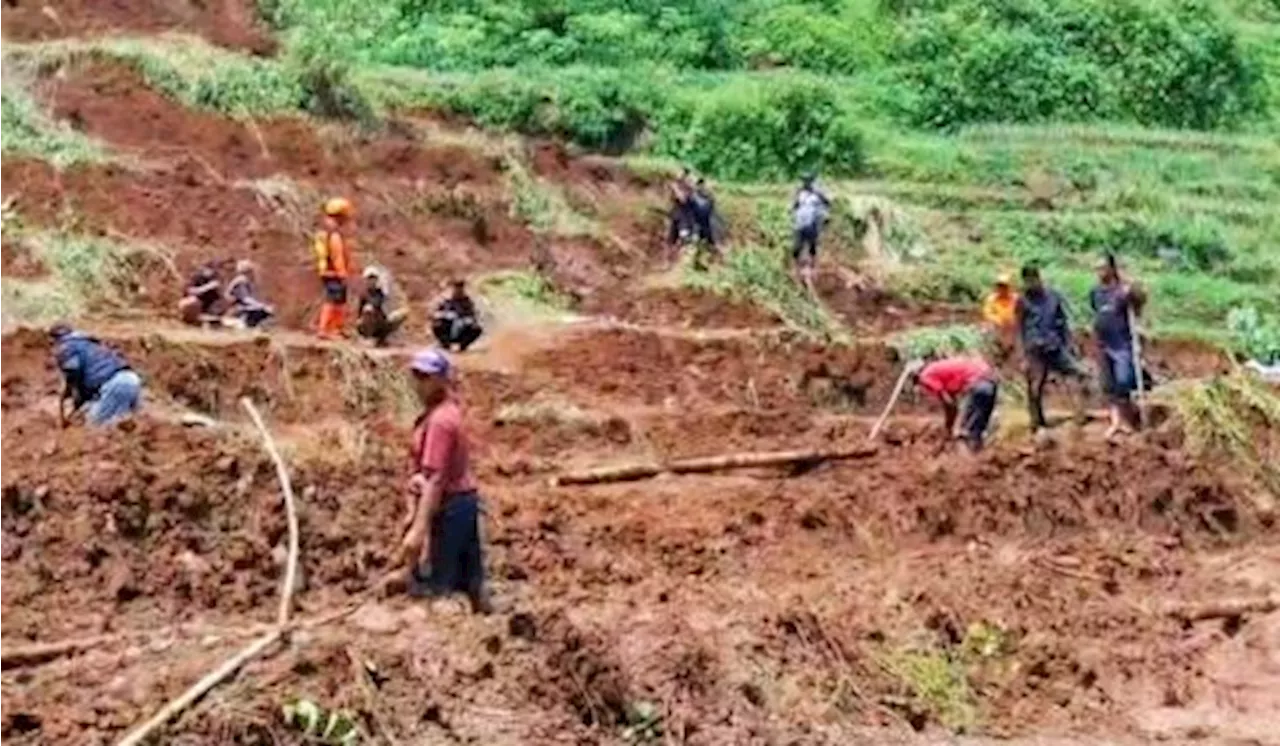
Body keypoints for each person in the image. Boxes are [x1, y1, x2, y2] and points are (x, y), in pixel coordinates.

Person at [401, 348, 492, 614]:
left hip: (451, 507)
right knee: (471, 583)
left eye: (425, 376)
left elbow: (435, 477)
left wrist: (418, 530)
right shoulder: (444, 412)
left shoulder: (440, 421)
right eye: (416, 375)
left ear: (441, 379)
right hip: (463, 503)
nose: (419, 383)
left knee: (442, 588)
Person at [1015, 264, 1091, 432]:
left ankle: (1080, 415)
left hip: (1054, 346)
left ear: (1038, 278)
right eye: (1027, 281)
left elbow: (1062, 322)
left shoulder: (1053, 296)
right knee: (1035, 387)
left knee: (1080, 374)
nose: (1030, 284)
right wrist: (1022, 356)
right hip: (1034, 349)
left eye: (1033, 279)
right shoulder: (1022, 300)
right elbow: (1019, 328)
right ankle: (1036, 422)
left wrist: (1069, 344)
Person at [1090, 254, 1146, 438]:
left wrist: (1133, 291)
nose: (1099, 272)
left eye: (1102, 268)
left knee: (1124, 380)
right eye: (1097, 269)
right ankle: (1116, 421)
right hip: (1102, 342)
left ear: (1112, 269)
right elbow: (1096, 311)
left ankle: (1129, 416)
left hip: (1121, 343)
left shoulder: (1122, 290)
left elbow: (1139, 304)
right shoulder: (1095, 292)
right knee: (1109, 384)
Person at [50, 325, 142, 427]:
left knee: (93, 428)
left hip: (115, 384)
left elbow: (73, 372)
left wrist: (76, 397)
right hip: (132, 379)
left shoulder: (67, 347)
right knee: (129, 425)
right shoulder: (91, 343)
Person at [908, 356, 999, 452]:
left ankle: (965, 462)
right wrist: (949, 428)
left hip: (978, 383)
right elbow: (953, 406)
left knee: (966, 431)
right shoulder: (941, 372)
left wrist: (948, 430)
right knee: (977, 429)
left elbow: (949, 403)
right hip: (990, 382)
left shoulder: (925, 376)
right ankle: (978, 457)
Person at [314, 197, 355, 338]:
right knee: (333, 302)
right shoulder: (335, 236)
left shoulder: (328, 233)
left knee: (340, 301)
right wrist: (343, 274)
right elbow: (338, 257)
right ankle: (325, 329)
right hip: (334, 274)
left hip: (329, 273)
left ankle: (336, 328)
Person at [791, 173, 831, 291]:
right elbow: (794, 206)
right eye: (804, 181)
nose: (806, 184)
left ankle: (813, 269)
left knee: (812, 247)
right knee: (796, 248)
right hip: (800, 224)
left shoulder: (817, 194)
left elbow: (827, 204)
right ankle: (796, 270)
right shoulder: (800, 193)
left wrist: (824, 217)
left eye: (808, 181)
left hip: (812, 224)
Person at [356, 266, 408, 347]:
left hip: (380, 321)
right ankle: (368, 338)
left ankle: (382, 339)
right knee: (368, 311)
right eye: (369, 279)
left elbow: (378, 302)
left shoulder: (380, 293)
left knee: (401, 314)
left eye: (374, 278)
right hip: (367, 322)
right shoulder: (363, 294)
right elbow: (359, 312)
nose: (372, 281)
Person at [432, 279, 483, 352]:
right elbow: (436, 313)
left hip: (462, 328)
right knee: (437, 325)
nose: (458, 291)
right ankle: (445, 344)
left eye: (460, 289)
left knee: (476, 329)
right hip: (448, 327)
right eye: (456, 288)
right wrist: (445, 315)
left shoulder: (467, 302)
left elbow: (473, 315)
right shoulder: (446, 301)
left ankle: (463, 345)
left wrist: (467, 319)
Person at [225, 260, 274, 329]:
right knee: (263, 311)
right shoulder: (241, 281)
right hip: (238, 310)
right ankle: (244, 322)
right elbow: (245, 299)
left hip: (242, 308)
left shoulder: (246, 280)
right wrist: (262, 306)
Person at [982, 271, 1019, 360]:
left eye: (1004, 286)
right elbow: (987, 313)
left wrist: (1012, 321)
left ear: (1010, 287)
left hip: (1012, 327)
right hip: (998, 326)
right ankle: (994, 352)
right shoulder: (991, 299)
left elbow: (1021, 313)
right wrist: (998, 320)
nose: (1002, 289)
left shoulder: (1016, 299)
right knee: (986, 329)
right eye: (1000, 286)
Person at [666, 167, 695, 257]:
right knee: (670, 240)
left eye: (681, 173)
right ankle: (670, 260)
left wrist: (675, 188)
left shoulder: (689, 187)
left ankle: (684, 260)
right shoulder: (677, 185)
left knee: (684, 238)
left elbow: (683, 199)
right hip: (675, 215)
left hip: (685, 218)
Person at [689, 177, 720, 259]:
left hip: (706, 224)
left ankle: (710, 258)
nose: (702, 187)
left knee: (710, 243)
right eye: (699, 185)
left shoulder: (709, 198)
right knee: (695, 242)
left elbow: (711, 211)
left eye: (703, 185)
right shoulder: (692, 198)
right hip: (696, 224)